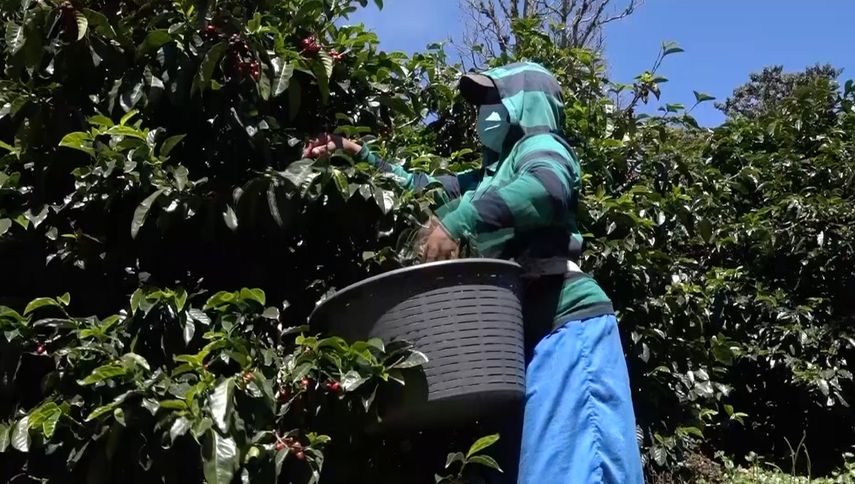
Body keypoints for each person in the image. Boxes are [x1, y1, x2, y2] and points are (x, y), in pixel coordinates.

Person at [304, 62, 644, 483]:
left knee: (574, 469)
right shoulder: (486, 176)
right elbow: (419, 188)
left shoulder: (542, 147)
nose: (484, 113)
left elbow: (548, 189)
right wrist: (359, 154)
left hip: (567, 327)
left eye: (493, 100)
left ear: (524, 103)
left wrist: (459, 221)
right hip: (522, 340)